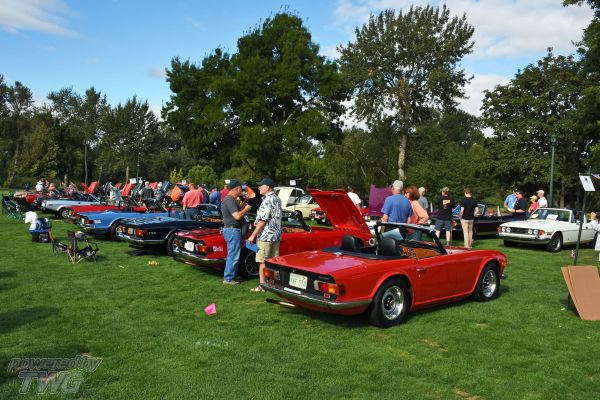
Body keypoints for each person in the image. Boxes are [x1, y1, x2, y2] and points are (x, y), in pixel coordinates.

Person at [247, 178, 282, 292]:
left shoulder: (267, 200)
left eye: (261, 185)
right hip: (275, 235)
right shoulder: (277, 198)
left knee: (262, 261)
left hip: (265, 236)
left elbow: (263, 220)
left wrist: (253, 235)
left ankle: (263, 286)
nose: (259, 188)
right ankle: (273, 284)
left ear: (267, 187)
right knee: (273, 261)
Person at [221, 180, 253, 285]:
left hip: (231, 229)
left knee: (233, 254)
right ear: (238, 188)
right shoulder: (230, 200)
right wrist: (247, 209)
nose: (242, 191)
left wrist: (246, 201)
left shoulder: (231, 199)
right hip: (232, 230)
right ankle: (228, 278)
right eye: (241, 189)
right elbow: (237, 216)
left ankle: (232, 276)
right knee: (233, 255)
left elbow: (238, 209)